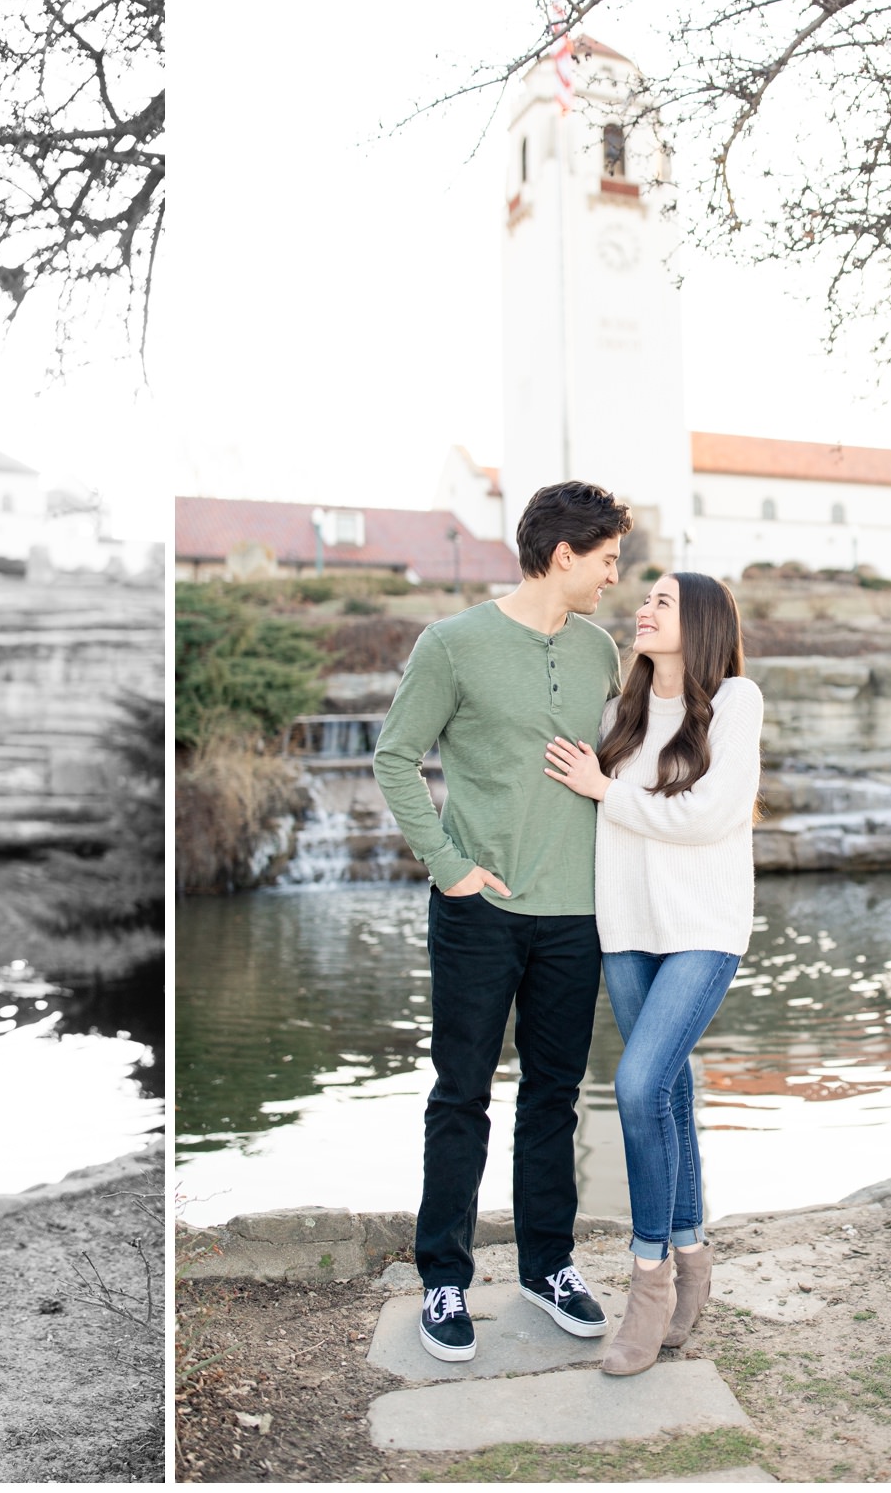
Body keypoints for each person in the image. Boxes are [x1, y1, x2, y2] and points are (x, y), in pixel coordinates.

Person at [373, 481, 630, 1363]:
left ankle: (545, 1266)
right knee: (461, 1096)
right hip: (480, 911)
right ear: (564, 556)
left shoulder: (600, 650)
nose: (612, 578)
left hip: (576, 915)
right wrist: (451, 870)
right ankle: (443, 1277)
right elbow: (395, 758)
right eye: (605, 562)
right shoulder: (451, 645)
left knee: (554, 1099)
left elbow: (623, 760)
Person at [542, 571, 762, 1376]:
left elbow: (710, 815)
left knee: (636, 1088)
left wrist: (606, 791)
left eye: (662, 602)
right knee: (667, 1091)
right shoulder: (619, 713)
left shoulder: (737, 701)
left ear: (699, 622)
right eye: (645, 599)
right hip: (627, 929)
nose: (643, 609)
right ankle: (695, 1256)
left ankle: (649, 1279)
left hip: (703, 929)